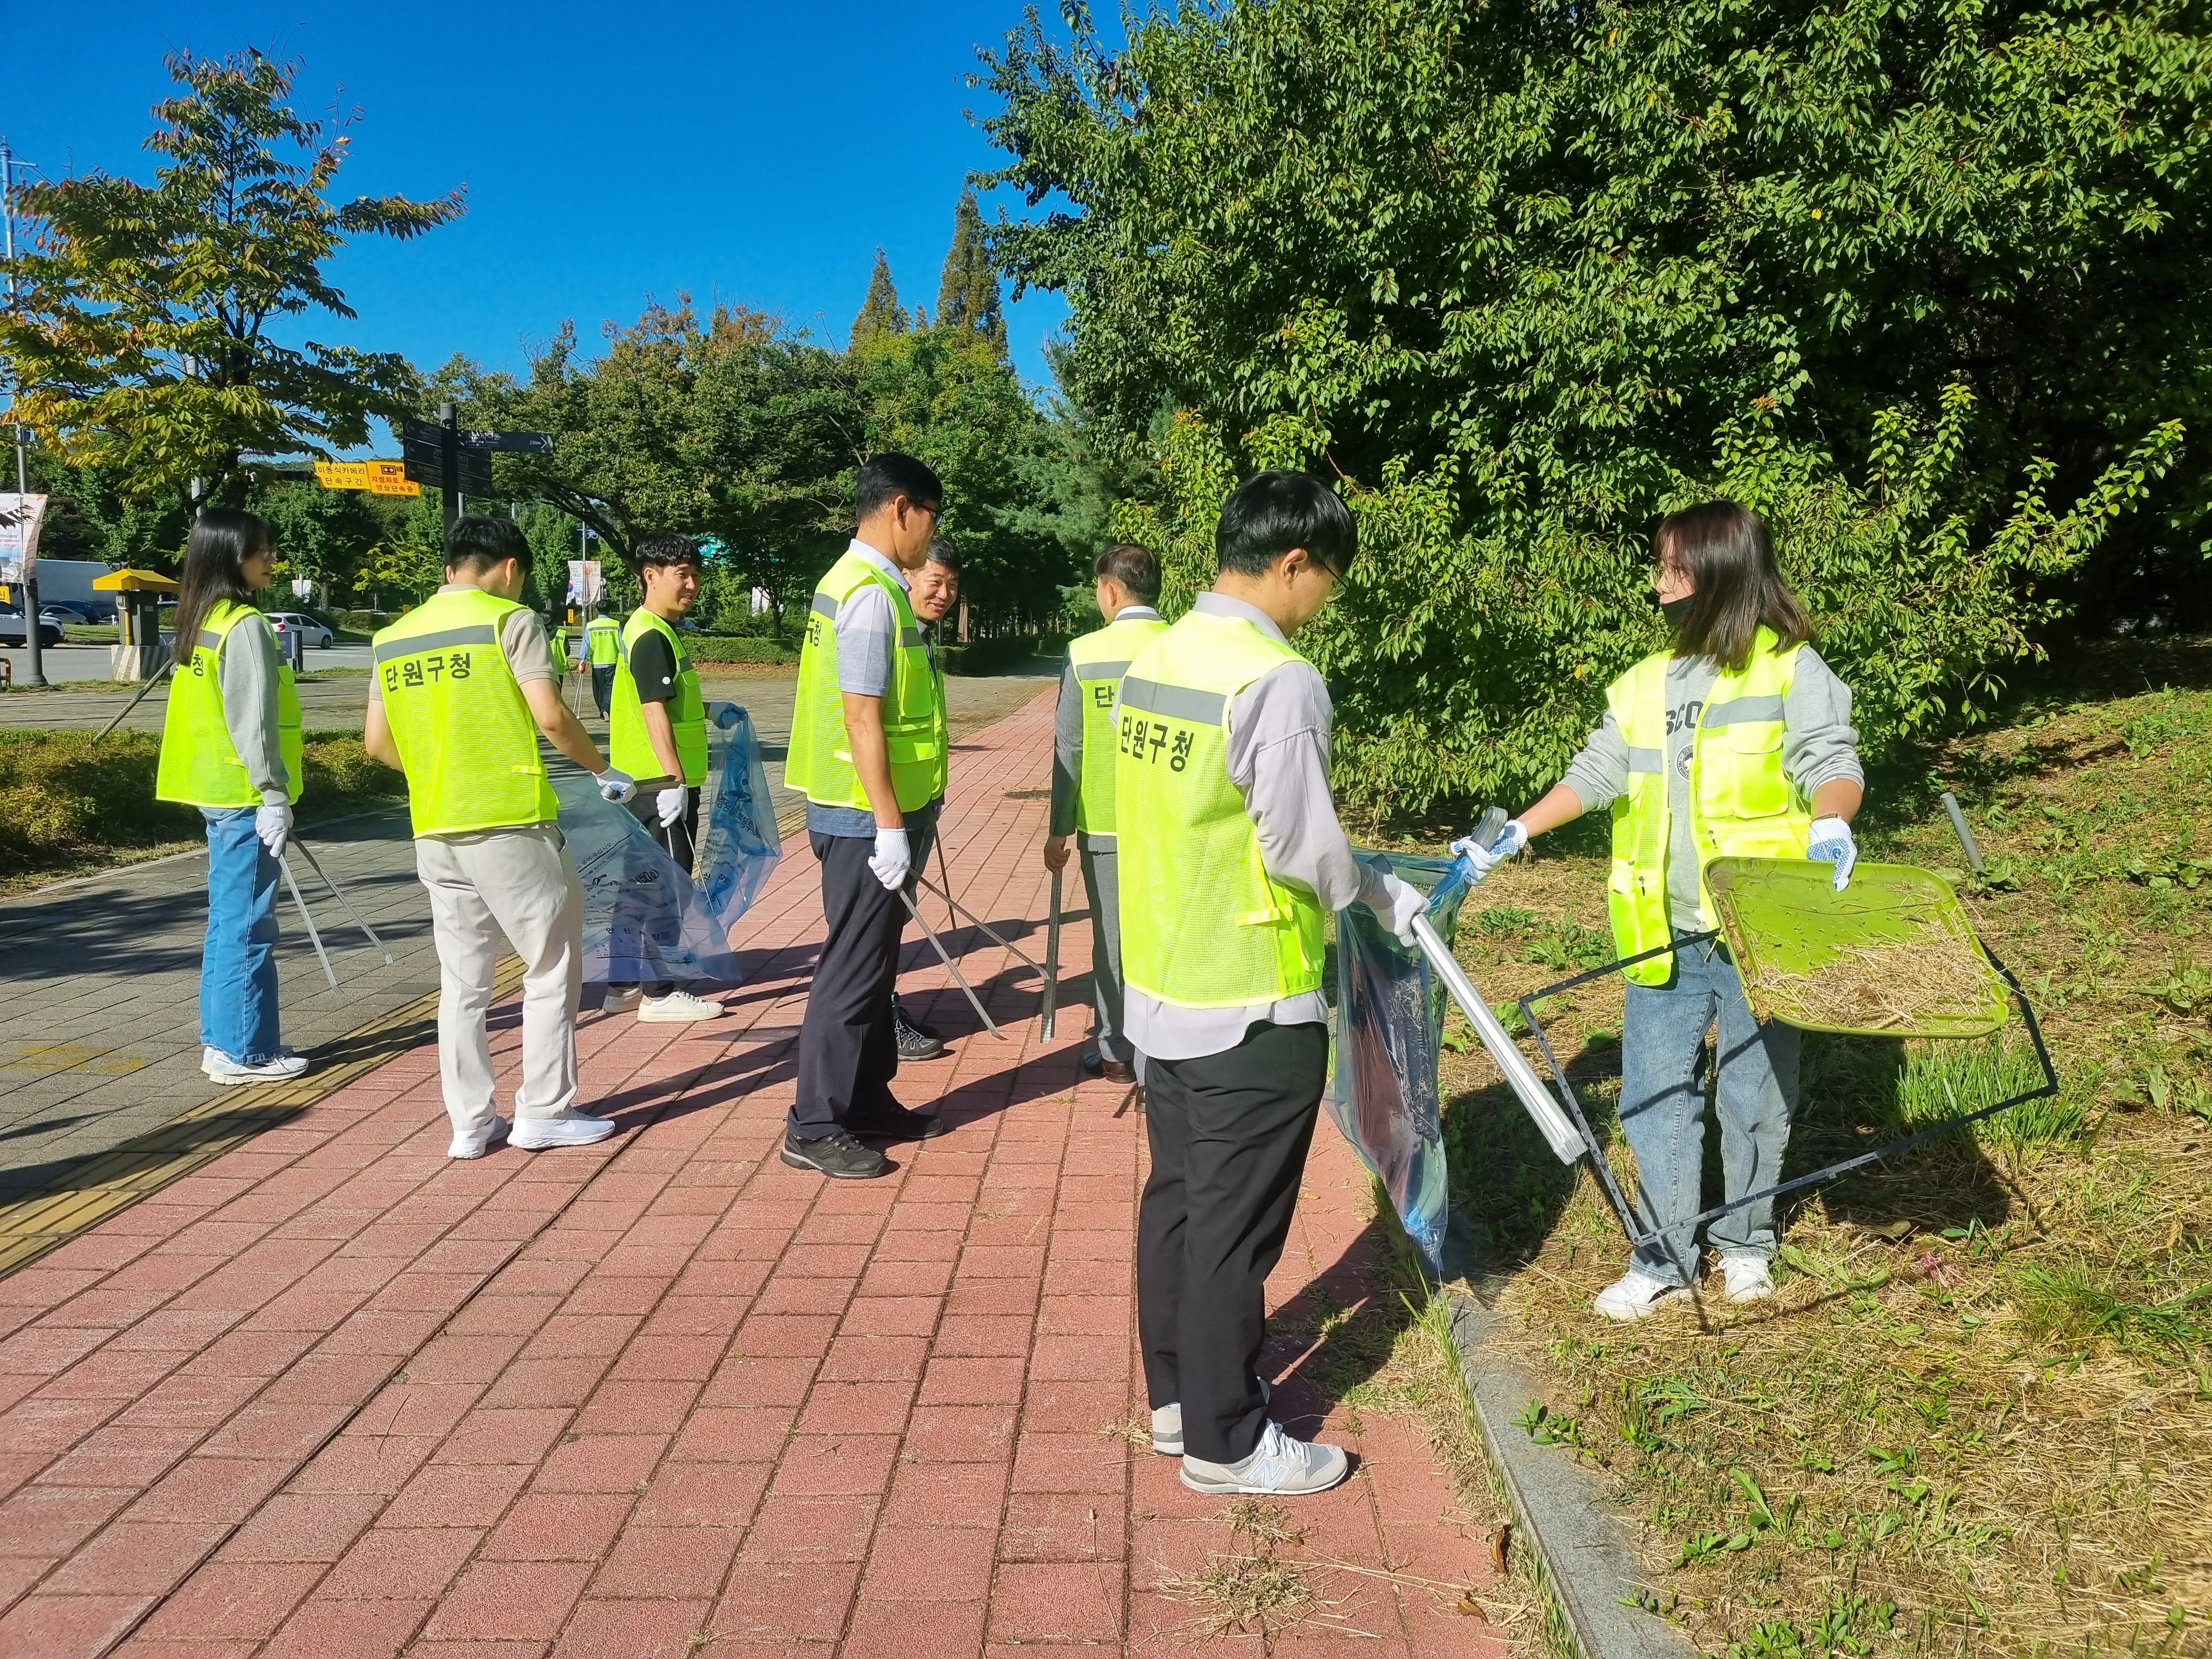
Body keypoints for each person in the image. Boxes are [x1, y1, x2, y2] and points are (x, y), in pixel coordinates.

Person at [1456, 499, 1864, 1319]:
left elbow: (1833, 759)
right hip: (1663, 935)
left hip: (1758, 932)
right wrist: (1517, 833)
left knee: (1754, 1095)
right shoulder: (1646, 683)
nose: (1660, 584)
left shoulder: (1789, 667)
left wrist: (1831, 817)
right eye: (1661, 566)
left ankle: (1746, 1246)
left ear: (1720, 576)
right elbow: (1597, 771)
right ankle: (1667, 1256)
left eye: (1675, 568)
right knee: (1650, 1095)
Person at [1117, 472, 1426, 1497]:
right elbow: (1302, 847)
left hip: (1164, 975)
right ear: (1292, 562)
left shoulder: (1154, 654)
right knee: (1233, 1226)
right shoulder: (1274, 677)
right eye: (1325, 581)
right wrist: (1377, 891)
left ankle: (1174, 1401)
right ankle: (1227, 1440)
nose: (1322, 603)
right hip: (1252, 987)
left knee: (1177, 1198)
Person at [364, 516, 639, 1160]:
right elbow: (550, 715)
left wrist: (442, 773)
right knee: (549, 966)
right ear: (511, 567)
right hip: (510, 821)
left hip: (435, 825)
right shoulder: (508, 620)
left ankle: (469, 1123)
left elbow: (377, 745)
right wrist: (605, 770)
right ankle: (544, 1111)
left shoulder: (391, 637)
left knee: (463, 982)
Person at [783, 453, 956, 1178]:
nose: (931, 539)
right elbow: (861, 717)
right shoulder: (868, 595)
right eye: (931, 520)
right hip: (863, 815)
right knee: (852, 971)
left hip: (874, 811)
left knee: (875, 965)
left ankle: (866, 1100)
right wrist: (888, 821)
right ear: (903, 509)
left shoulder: (864, 582)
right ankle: (814, 1123)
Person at [155, 507, 311, 1087]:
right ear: (230, 555)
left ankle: (225, 1041)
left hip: (217, 790)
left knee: (228, 922)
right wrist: (274, 793)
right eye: (261, 550)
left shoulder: (203, 619)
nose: (271, 558)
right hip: (246, 795)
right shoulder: (243, 624)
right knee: (249, 925)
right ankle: (245, 1051)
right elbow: (255, 722)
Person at [1045, 543, 1168, 1085]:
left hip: (1107, 826)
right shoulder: (1183, 649)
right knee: (1166, 932)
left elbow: (1069, 747)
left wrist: (1058, 828)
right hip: (1173, 826)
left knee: (1114, 939)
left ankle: (1117, 1049)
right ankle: (1168, 1047)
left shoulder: (1086, 653)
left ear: (1112, 590)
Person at [601, 533, 726, 1023]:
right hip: (659, 785)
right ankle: (660, 992)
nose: (692, 584)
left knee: (637, 884)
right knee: (665, 886)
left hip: (645, 782)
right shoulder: (652, 633)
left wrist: (712, 710)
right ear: (649, 576)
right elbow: (653, 711)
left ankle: (623, 985)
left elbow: (666, 702)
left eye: (696, 574)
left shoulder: (655, 630)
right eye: (682, 575)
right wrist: (674, 779)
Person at [886, 537, 963, 1062]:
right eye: (935, 581)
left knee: (895, 918)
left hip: (919, 799)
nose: (944, 594)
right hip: (886, 809)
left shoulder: (922, 636)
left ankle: (885, 1004)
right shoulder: (891, 629)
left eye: (952, 586)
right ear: (909, 575)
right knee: (880, 919)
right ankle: (880, 1016)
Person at [585, 610, 622, 718]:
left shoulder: (590, 626)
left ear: (597, 610)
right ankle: (605, 709)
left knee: (599, 689)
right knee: (610, 687)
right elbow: (622, 643)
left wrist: (583, 660)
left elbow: (586, 644)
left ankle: (603, 709)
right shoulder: (616, 625)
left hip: (597, 662)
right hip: (612, 660)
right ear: (609, 610)